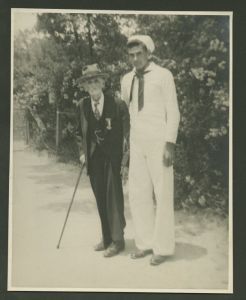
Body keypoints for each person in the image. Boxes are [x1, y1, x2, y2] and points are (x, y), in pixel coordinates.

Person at [121, 35, 180, 265]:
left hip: (159, 142)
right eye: (131, 55)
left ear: (148, 53)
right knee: (138, 194)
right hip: (137, 143)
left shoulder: (164, 76)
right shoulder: (126, 79)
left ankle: (162, 248)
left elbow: (173, 111)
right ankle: (144, 243)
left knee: (163, 193)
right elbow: (127, 110)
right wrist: (127, 143)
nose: (135, 59)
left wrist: (170, 143)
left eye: (139, 54)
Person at [77, 63, 130, 257]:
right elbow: (80, 134)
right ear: (84, 86)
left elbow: (126, 135)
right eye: (89, 82)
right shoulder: (83, 106)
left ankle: (118, 241)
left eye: (96, 80)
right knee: (100, 198)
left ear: (103, 82)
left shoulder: (116, 104)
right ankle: (107, 237)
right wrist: (82, 152)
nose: (93, 85)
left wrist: (125, 161)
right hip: (93, 159)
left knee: (113, 197)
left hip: (112, 158)